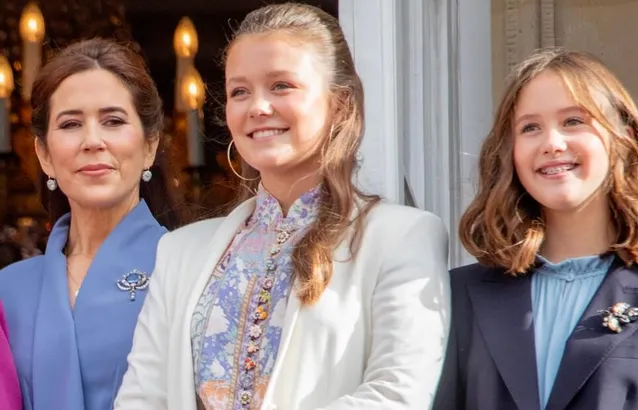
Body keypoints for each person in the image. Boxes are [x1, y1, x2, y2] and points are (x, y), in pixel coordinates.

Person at [114, 3, 451, 410]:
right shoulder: (181, 252)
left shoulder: (401, 237)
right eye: (240, 91)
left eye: (281, 86)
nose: (257, 107)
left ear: (340, 104)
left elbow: (397, 395)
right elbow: (141, 398)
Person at [434, 49, 638, 410]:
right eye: (530, 128)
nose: (552, 143)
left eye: (573, 121)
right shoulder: (457, 295)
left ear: (624, 137)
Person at [0, 37, 184, 410]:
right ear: (44, 154)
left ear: (150, 145)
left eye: (113, 121)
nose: (92, 140)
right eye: (70, 124)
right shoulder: (9, 290)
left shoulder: (188, 269)